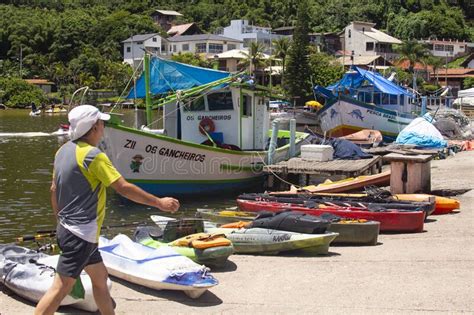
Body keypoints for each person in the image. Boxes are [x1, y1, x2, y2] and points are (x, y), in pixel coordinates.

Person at [35, 105, 180, 315]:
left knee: (100, 279)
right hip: (81, 235)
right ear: (94, 128)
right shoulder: (93, 156)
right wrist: (159, 203)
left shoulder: (62, 151)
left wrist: (60, 222)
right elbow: (122, 188)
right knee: (60, 288)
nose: (103, 128)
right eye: (102, 124)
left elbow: (53, 190)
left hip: (72, 231)